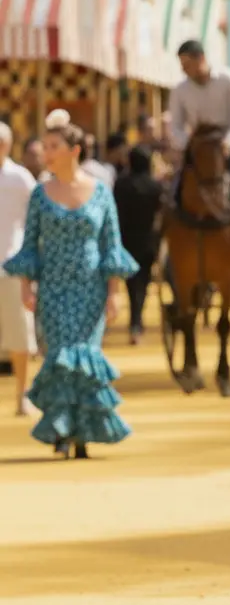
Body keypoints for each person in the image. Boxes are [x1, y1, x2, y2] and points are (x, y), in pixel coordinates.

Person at [2, 110, 138, 459]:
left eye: (53, 146)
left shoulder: (102, 193)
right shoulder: (40, 194)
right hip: (54, 288)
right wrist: (25, 287)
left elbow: (112, 244)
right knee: (61, 356)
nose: (45, 152)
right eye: (45, 145)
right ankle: (62, 427)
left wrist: (113, 293)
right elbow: (30, 245)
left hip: (91, 288)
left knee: (86, 356)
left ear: (74, 150)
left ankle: (82, 431)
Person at [169, 39, 230, 188]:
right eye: (182, 65)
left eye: (187, 65)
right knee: (177, 188)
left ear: (201, 58)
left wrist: (228, 142)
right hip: (198, 146)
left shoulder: (229, 79)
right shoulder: (179, 90)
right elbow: (175, 127)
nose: (183, 70)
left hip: (229, 143)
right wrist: (188, 144)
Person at [0, 123, 38, 415]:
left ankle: (22, 395)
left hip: (12, 265)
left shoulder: (20, 178)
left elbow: (35, 220)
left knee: (19, 334)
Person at [113, 145, 163, 344]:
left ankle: (135, 320)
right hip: (148, 240)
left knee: (131, 283)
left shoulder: (121, 184)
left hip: (126, 239)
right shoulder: (154, 186)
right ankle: (137, 320)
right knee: (143, 281)